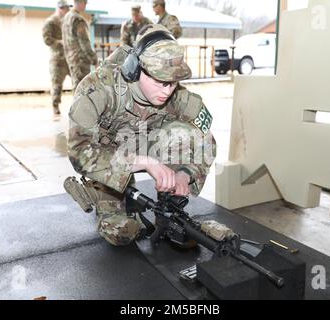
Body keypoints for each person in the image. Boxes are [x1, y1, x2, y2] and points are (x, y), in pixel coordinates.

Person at [66, 24, 216, 246]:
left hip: (144, 142)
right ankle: (102, 194)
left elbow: (207, 141)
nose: (168, 90)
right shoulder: (97, 90)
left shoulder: (177, 95)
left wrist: (186, 173)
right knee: (122, 233)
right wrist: (143, 162)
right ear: (134, 69)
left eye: (173, 82)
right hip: (110, 157)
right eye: (160, 81)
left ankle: (169, 211)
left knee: (184, 135)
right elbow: (80, 152)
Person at [42, 0, 71, 115]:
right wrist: (60, 42)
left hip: (70, 57)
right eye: (65, 8)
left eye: (67, 8)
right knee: (57, 84)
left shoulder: (68, 21)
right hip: (57, 59)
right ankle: (55, 106)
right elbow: (46, 39)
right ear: (59, 8)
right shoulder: (50, 22)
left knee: (78, 81)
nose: (67, 10)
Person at [62, 0, 98, 91]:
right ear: (80, 3)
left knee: (77, 87)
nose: (85, 5)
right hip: (80, 60)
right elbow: (84, 42)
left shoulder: (66, 17)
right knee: (82, 89)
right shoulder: (78, 19)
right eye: (85, 3)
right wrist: (94, 60)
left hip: (71, 58)